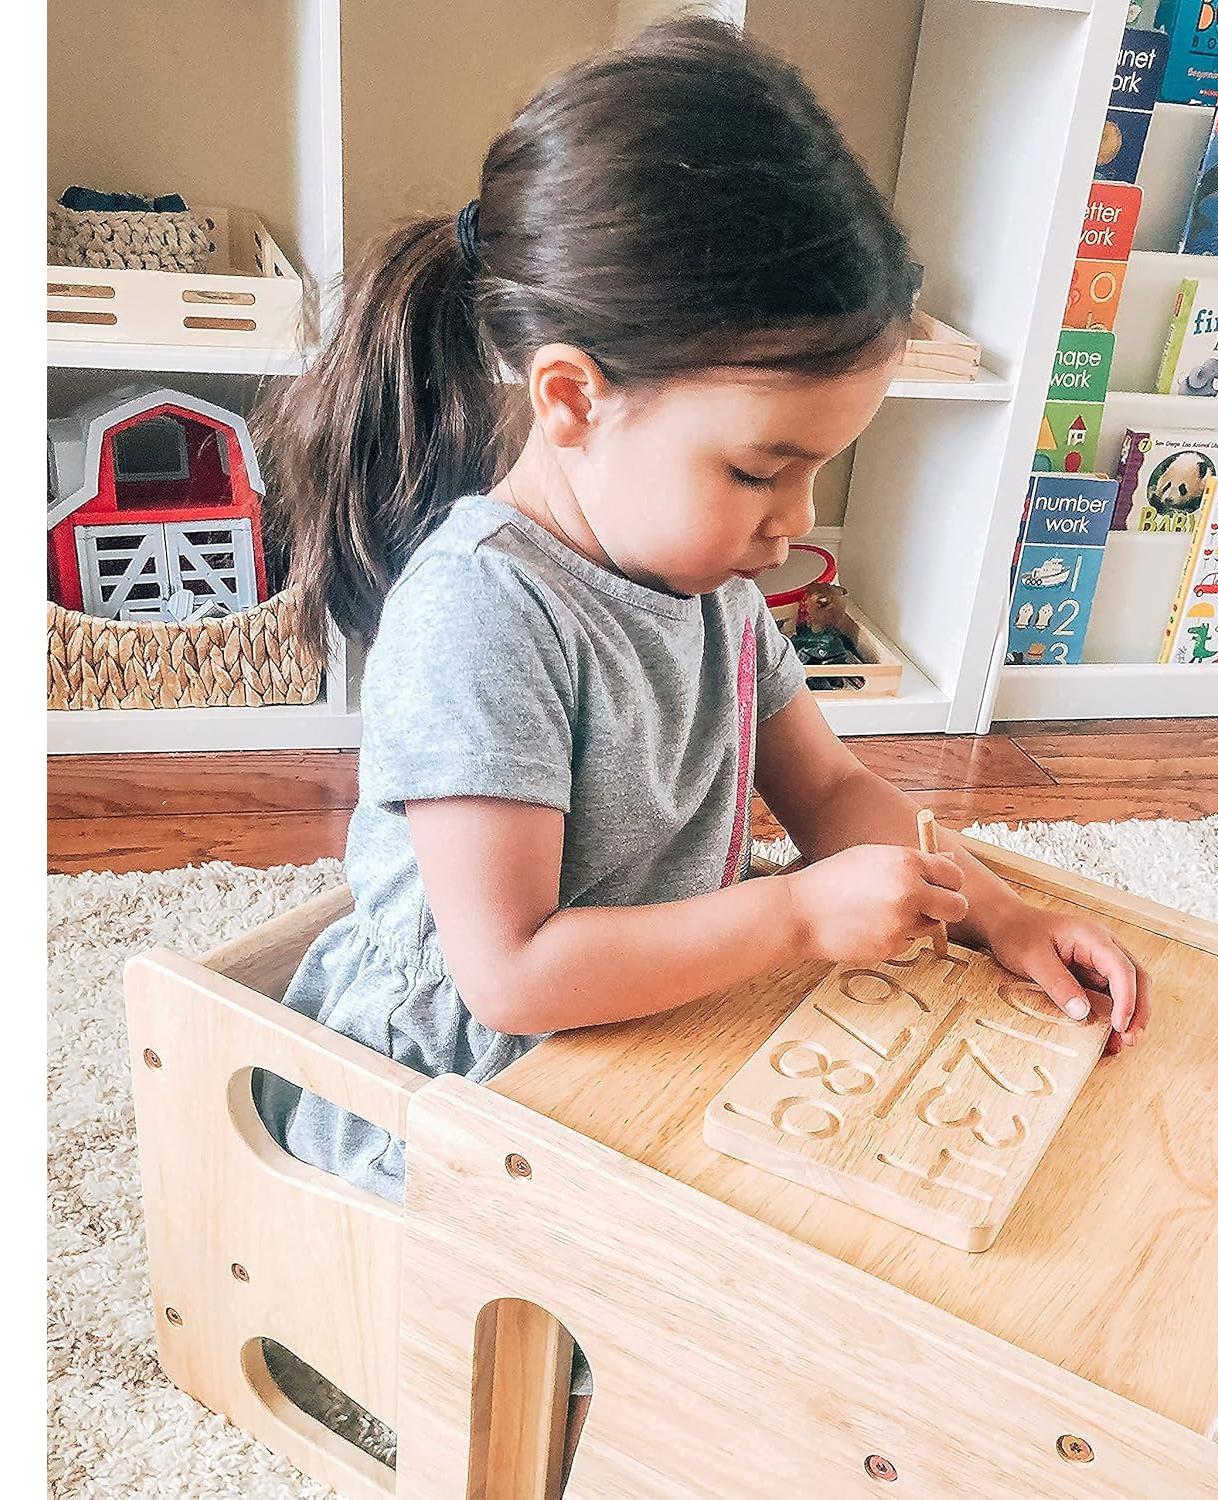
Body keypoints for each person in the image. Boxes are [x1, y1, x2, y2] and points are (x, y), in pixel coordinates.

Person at [251, 13, 1148, 1462]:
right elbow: (515, 974)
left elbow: (835, 784)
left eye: (815, 471)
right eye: (759, 468)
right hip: (463, 1097)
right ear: (572, 397)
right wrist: (793, 918)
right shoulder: (484, 612)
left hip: (646, 1013)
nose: (794, 522)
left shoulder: (704, 579)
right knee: (730, 1372)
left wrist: (998, 914)